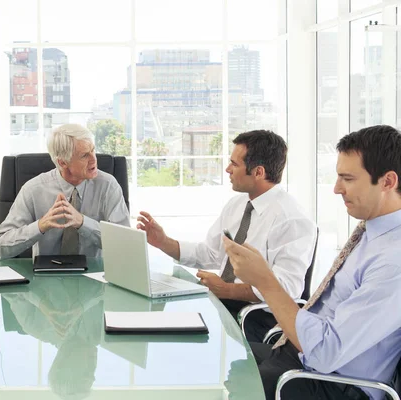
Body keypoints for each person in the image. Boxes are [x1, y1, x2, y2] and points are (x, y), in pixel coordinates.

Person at [226, 125, 401, 400]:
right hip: (299, 355)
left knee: (218, 389)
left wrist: (265, 281)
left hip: (331, 383)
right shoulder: (371, 233)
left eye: (348, 178)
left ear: (387, 182)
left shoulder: (393, 261)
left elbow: (326, 352)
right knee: (216, 358)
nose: (336, 188)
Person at [137, 130, 317, 342]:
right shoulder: (237, 204)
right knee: (154, 321)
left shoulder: (291, 219)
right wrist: (164, 242)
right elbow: (211, 254)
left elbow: (288, 288)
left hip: (256, 317)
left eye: (234, 164)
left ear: (258, 172)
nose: (227, 169)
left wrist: (228, 290)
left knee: (172, 336)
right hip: (223, 303)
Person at [0, 123, 130, 259]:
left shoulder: (108, 186)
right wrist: (40, 226)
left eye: (93, 150)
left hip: (95, 274)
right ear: (62, 163)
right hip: (45, 276)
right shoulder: (33, 189)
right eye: (84, 156)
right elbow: (1, 248)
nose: (94, 159)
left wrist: (83, 223)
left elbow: (125, 243)